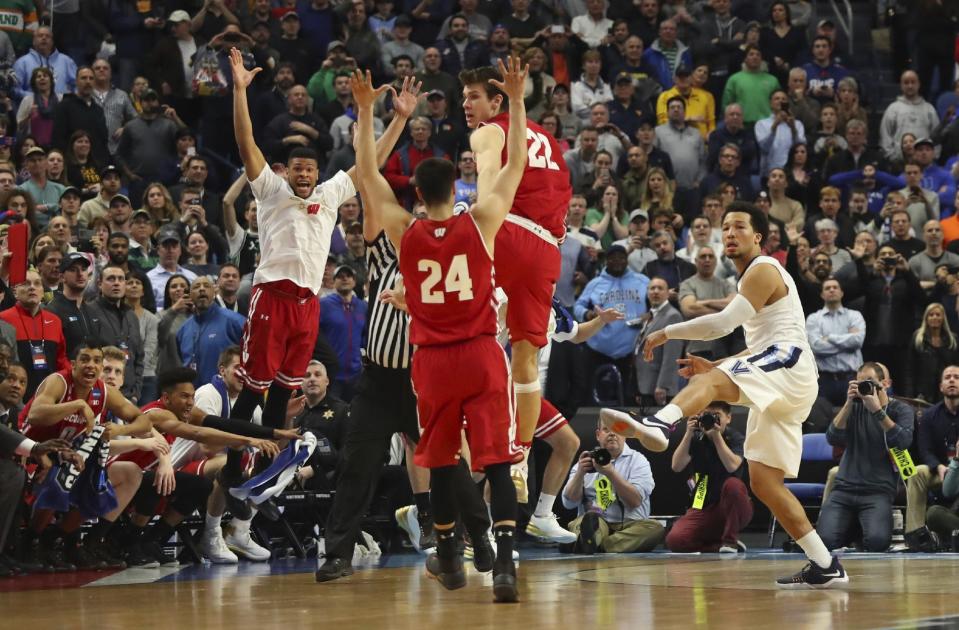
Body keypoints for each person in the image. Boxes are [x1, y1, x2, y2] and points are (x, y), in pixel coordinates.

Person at [351, 58, 527, 601]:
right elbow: (517, 162)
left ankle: (449, 551)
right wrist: (516, 100)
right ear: (458, 184)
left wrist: (364, 110)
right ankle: (503, 567)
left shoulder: (404, 229)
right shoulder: (482, 220)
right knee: (495, 460)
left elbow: (365, 174)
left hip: (431, 363)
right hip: (478, 354)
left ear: (416, 194)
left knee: (444, 460)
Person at [604, 201, 849, 587]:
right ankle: (825, 564)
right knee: (765, 483)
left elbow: (721, 324)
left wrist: (668, 331)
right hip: (783, 375)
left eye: (739, 227)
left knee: (712, 384)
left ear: (758, 237)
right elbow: (755, 347)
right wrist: (718, 367)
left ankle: (659, 424)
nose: (730, 233)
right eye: (726, 228)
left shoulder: (763, 269)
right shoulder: (750, 279)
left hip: (791, 363)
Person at [220, 49, 414, 520]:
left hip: (309, 301)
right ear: (286, 172)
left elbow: (372, 163)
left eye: (311, 168)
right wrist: (241, 90)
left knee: (287, 390)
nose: (305, 175)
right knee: (253, 388)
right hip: (272, 294)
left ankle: (267, 467)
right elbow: (246, 142)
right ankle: (234, 465)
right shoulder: (270, 189)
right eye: (298, 169)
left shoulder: (329, 194)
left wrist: (401, 120)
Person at [461, 60, 573, 491]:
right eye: (464, 98)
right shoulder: (549, 140)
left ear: (496, 100)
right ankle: (520, 458)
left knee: (475, 346)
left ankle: (474, 448)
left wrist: (481, 235)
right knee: (526, 359)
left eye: (473, 97)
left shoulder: (489, 130)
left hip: (505, 231)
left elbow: (489, 183)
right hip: (545, 248)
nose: (466, 105)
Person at [817, 362, 914, 552]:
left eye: (869, 382)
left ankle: (855, 532)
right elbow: (832, 438)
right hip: (844, 489)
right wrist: (847, 404)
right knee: (825, 542)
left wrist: (877, 411)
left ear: (884, 384)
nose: (864, 387)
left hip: (877, 490)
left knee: (877, 543)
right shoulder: (853, 408)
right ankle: (851, 532)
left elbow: (903, 441)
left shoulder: (901, 410)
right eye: (859, 382)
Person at [561, 416, 664, 553]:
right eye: (606, 429)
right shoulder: (586, 461)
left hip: (630, 524)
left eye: (617, 430)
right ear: (598, 435)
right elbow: (569, 503)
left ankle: (593, 544)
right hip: (596, 521)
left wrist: (611, 473)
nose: (612, 434)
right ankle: (593, 540)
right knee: (586, 522)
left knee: (655, 529)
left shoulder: (639, 461)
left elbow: (634, 501)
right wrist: (580, 473)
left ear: (626, 435)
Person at [664, 401, 751, 552]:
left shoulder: (735, 437)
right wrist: (688, 433)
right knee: (675, 540)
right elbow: (676, 466)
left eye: (716, 415)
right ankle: (718, 545)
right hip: (703, 501)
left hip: (735, 506)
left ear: (728, 418)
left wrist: (716, 436)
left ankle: (730, 541)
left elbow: (731, 466)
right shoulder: (697, 438)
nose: (711, 419)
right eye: (706, 415)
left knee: (733, 485)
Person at [905, 365, 959, 550]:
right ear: (941, 386)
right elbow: (924, 449)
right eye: (948, 377)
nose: (952, 380)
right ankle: (917, 536)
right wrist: (938, 466)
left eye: (956, 377)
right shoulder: (929, 416)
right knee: (917, 472)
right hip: (941, 471)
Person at [1, 269, 71, 400]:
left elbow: (61, 358)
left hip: (49, 396)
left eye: (37, 283)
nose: (32, 287)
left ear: (43, 292)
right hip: (15, 396)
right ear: (15, 291)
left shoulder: (55, 321)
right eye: (26, 283)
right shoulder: (4, 319)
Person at [84, 265, 145, 403]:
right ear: (99, 284)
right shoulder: (89, 311)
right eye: (111, 279)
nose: (117, 283)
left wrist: (136, 392)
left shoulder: (131, 315)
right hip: (99, 393)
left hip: (129, 395)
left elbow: (139, 357)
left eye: (121, 279)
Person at [806, 279, 865, 407]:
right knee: (822, 423)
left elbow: (857, 341)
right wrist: (847, 342)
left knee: (854, 420)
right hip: (824, 380)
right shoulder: (813, 319)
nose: (832, 290)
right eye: (827, 288)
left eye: (835, 287)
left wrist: (829, 338)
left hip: (852, 378)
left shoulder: (854, 316)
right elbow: (816, 347)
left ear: (841, 292)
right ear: (822, 294)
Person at [176, 277, 244, 387]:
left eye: (206, 286)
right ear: (189, 295)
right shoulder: (183, 330)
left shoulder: (235, 322)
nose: (202, 289)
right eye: (196, 287)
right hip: (193, 397)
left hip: (227, 395)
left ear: (214, 292)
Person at [319, 265, 367, 401]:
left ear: (354, 281)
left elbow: (366, 336)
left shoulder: (363, 306)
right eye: (340, 276)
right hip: (331, 376)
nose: (345, 278)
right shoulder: (323, 305)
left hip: (356, 374)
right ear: (333, 282)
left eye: (348, 276)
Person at [634, 277, 683, 407]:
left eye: (660, 288)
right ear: (647, 292)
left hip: (659, 388)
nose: (655, 291)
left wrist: (663, 385)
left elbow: (672, 355)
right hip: (646, 385)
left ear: (668, 293)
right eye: (652, 288)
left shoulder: (672, 316)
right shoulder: (650, 315)